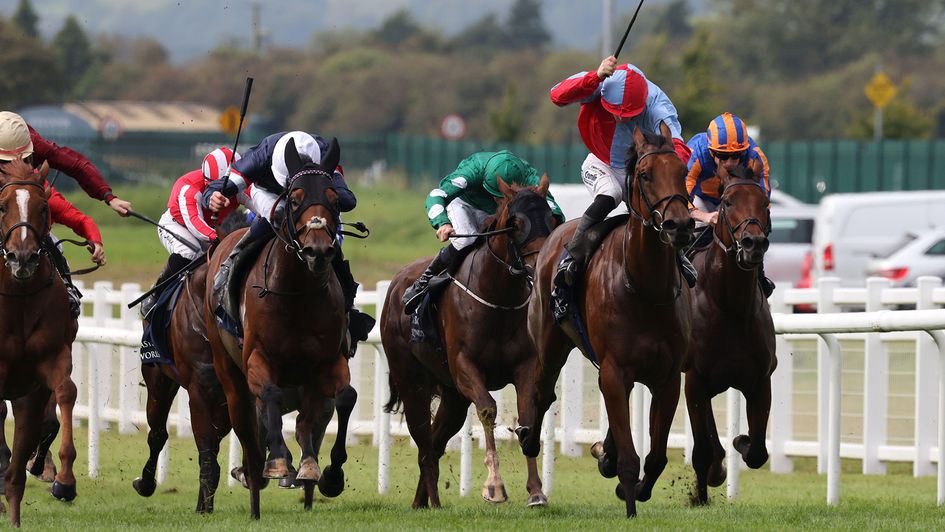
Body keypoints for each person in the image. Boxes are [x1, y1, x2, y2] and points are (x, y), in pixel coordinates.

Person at [202, 131, 374, 354]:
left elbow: (348, 200)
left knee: (327, 241)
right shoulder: (258, 158)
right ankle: (230, 271)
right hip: (270, 195)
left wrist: (328, 197)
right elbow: (214, 188)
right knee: (279, 214)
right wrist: (213, 197)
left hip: (312, 195)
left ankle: (348, 310)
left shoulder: (323, 155)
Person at [548, 56, 697, 294]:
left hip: (637, 167)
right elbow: (556, 95)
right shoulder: (600, 82)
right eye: (615, 111)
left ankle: (678, 257)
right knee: (610, 194)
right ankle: (571, 256)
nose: (620, 117)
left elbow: (678, 147)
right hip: (600, 161)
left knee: (661, 208)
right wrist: (594, 77)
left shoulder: (657, 103)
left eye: (629, 114)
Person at [402, 150, 566, 314]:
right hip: (464, 205)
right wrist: (442, 223)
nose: (500, 199)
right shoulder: (472, 172)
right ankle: (423, 283)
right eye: (498, 196)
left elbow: (551, 206)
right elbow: (436, 195)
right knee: (466, 241)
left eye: (503, 197)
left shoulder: (528, 176)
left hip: (500, 211)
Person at [0, 112, 111, 317]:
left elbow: (81, 218)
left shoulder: (42, 193)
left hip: (35, 234)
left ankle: (68, 290)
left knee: (52, 244)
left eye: (23, 159)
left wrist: (107, 199)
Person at [140, 147, 252, 317]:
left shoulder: (237, 184)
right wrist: (220, 239)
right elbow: (196, 226)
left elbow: (258, 204)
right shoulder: (188, 188)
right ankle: (155, 294)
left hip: (213, 228)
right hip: (179, 226)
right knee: (190, 252)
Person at [686, 112, 776, 297]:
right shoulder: (696, 153)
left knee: (760, 227)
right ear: (711, 151)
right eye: (722, 156)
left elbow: (763, 202)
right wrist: (704, 216)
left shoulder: (756, 157)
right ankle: (680, 268)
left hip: (738, 199)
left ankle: (759, 275)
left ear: (744, 151)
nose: (729, 163)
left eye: (735, 156)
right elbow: (681, 199)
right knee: (682, 228)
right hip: (702, 199)